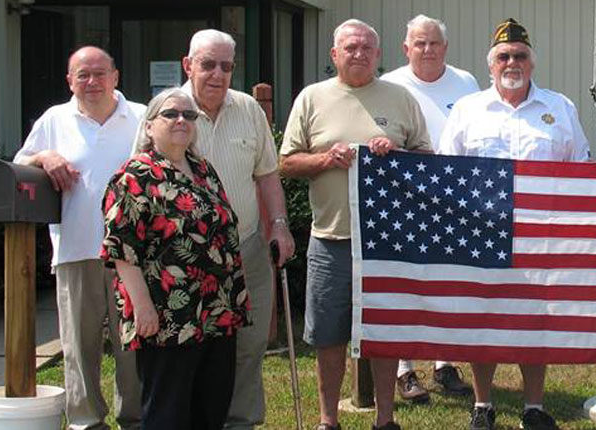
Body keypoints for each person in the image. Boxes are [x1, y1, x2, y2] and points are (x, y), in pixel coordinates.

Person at [279, 18, 431, 430]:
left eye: (367, 48)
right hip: (331, 238)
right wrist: (327, 158)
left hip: (387, 242)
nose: (359, 53)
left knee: (383, 333)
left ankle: (385, 418)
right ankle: (328, 419)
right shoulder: (312, 98)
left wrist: (396, 153)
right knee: (328, 335)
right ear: (334, 55)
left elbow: (426, 160)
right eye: (350, 47)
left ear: (379, 55)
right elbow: (287, 162)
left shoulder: (400, 98)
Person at [437, 18, 588, 430]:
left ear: (532, 63)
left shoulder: (559, 108)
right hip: (482, 233)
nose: (512, 62)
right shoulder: (468, 110)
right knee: (482, 319)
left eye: (520, 55)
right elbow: (447, 170)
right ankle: (483, 404)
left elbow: (581, 169)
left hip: (542, 234)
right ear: (491, 65)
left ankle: (533, 407)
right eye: (503, 56)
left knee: (535, 319)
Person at [102, 87, 251, 430]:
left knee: (210, 407)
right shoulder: (134, 177)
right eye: (171, 114)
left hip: (217, 308)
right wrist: (142, 308)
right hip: (168, 313)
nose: (181, 120)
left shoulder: (203, 170)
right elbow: (121, 250)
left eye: (189, 115)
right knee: (168, 411)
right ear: (150, 126)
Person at [13, 45, 144, 430]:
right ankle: (86, 421)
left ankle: (135, 418)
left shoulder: (140, 116)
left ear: (115, 77)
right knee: (78, 347)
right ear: (69, 81)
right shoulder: (54, 119)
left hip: (134, 256)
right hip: (75, 248)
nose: (92, 81)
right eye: (82, 75)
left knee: (134, 345)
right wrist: (45, 157)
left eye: (100, 73)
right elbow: (21, 163)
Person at [171, 29, 295, 430]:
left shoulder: (248, 109)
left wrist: (279, 226)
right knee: (193, 345)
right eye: (208, 64)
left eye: (227, 66)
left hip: (247, 247)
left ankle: (240, 422)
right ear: (188, 65)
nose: (218, 74)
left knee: (250, 343)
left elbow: (268, 174)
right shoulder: (167, 111)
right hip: (187, 257)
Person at [379, 13, 478, 401]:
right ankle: (405, 370)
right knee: (407, 282)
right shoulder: (390, 85)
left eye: (434, 42)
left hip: (454, 196)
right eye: (419, 43)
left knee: (448, 281)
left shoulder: (466, 82)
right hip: (404, 198)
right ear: (406, 48)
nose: (427, 49)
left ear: (445, 47)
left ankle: (445, 363)